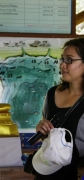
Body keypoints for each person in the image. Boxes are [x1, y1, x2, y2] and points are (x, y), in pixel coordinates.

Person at [33, 38, 84, 180]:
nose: (62, 65)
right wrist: (41, 129)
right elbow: (47, 134)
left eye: (69, 60)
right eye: (62, 59)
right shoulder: (52, 93)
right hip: (46, 169)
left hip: (75, 173)